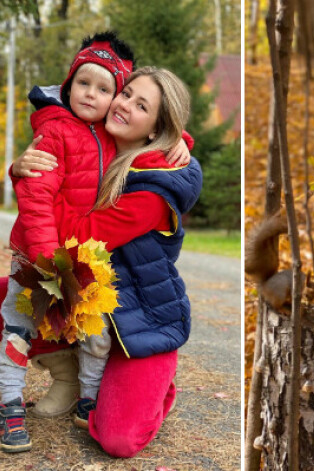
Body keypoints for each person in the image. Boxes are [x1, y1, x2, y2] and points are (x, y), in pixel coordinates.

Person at [5, 32, 190, 426]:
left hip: (139, 315)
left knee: (116, 433)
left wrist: (183, 143)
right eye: (127, 95)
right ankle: (56, 381)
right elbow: (47, 185)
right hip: (69, 276)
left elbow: (75, 227)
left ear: (157, 128)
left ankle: (144, 385)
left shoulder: (154, 189)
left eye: (140, 105)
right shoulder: (87, 136)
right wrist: (20, 170)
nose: (116, 103)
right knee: (14, 309)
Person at [0, 31, 136, 453]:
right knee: (17, 328)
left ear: (116, 97)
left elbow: (159, 136)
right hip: (38, 258)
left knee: (96, 334)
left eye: (103, 88)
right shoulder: (55, 132)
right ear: (68, 83)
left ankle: (87, 400)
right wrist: (45, 260)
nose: (90, 94)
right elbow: (36, 198)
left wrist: (182, 145)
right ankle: (9, 406)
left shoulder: (117, 138)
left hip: (87, 262)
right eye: (83, 83)